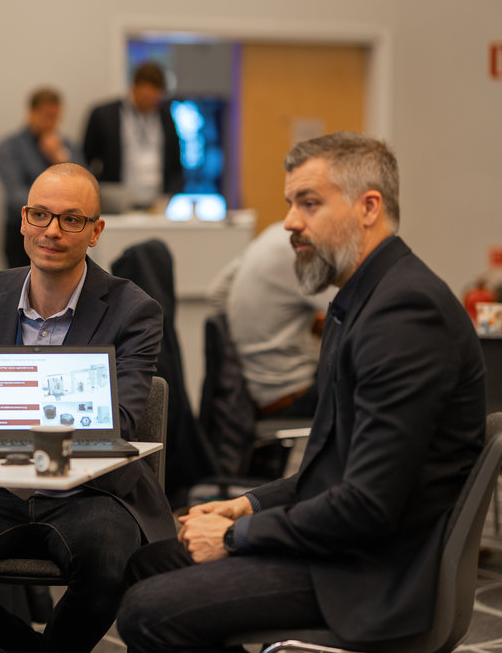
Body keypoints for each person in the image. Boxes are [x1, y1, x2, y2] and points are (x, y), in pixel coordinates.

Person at [117, 132, 486, 653]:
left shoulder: (405, 315)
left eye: (309, 203)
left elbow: (366, 508)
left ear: (368, 208)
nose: (290, 221)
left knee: (148, 610)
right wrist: (242, 507)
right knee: (148, 562)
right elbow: (329, 471)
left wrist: (230, 539)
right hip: (346, 551)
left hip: (371, 578)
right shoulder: (359, 301)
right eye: (291, 203)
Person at [0, 163, 176, 652]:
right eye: (40, 215)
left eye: (71, 220)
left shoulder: (133, 310)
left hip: (89, 493)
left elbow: (112, 422)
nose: (52, 231)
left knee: (110, 563)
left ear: (96, 231)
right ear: (22, 220)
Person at [209, 220, 336, 420]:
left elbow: (216, 293)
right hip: (288, 391)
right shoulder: (301, 249)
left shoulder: (272, 235)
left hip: (247, 389)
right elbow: (353, 312)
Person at [0, 86, 83, 268]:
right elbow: (15, 194)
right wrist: (50, 210)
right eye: (46, 116)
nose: (51, 123)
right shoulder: (8, 147)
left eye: (55, 117)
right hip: (21, 233)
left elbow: (84, 185)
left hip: (61, 229)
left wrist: (60, 159)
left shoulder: (65, 146)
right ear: (31, 113)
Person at [82, 61, 184, 209]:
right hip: (116, 204)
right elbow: (86, 159)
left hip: (156, 205)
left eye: (154, 98)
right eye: (144, 96)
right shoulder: (104, 115)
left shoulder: (166, 118)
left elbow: (175, 164)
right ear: (134, 87)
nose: (148, 102)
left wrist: (169, 195)